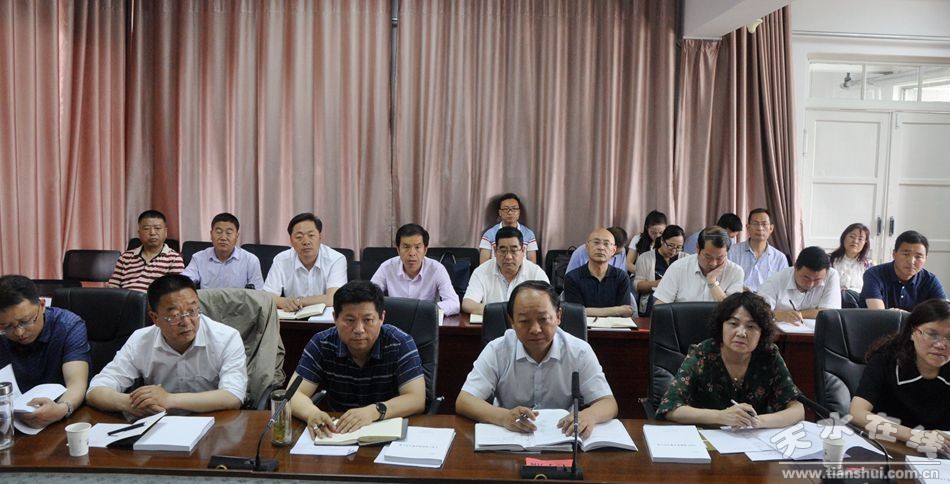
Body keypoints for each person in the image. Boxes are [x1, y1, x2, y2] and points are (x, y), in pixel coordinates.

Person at [456, 281, 618, 439]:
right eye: (524, 321)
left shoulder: (579, 351)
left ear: (558, 316)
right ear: (512, 322)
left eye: (543, 319)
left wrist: (589, 415)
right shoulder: (498, 350)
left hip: (561, 437)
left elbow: (608, 403)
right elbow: (464, 401)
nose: (535, 329)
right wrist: (503, 416)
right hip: (510, 438)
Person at [87, 274, 247, 415]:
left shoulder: (226, 338)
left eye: (192, 311)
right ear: (155, 318)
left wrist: (169, 399)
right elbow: (96, 390)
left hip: (213, 421)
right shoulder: (141, 340)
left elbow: (233, 396)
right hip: (159, 423)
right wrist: (131, 403)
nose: (186, 322)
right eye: (175, 315)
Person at [288, 281, 425, 438]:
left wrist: (373, 411)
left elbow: (416, 399)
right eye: (350, 320)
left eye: (368, 320)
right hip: (338, 433)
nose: (359, 329)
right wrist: (312, 413)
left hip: (387, 431)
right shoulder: (321, 343)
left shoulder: (400, 343)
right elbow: (292, 394)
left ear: (382, 318)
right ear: (335, 318)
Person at [657, 292, 804, 428]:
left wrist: (757, 421)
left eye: (751, 326)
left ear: (762, 333)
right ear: (721, 326)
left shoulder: (768, 355)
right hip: (707, 437)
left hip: (752, 439)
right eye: (733, 324)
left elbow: (797, 409)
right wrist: (721, 416)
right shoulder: (702, 354)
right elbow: (669, 408)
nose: (741, 333)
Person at [849, 299, 950, 454]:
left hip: (941, 453)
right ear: (912, 333)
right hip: (889, 449)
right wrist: (915, 436)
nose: (941, 344)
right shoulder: (886, 360)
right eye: (932, 334)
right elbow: (857, 413)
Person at [0, 275, 89, 428]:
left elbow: (76, 384)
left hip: (61, 420)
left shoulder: (69, 326)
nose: (19, 332)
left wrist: (62, 408)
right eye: (7, 326)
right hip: (10, 422)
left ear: (42, 305)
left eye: (25, 321)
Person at [263, 212, 347, 312]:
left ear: (320, 237)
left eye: (311, 235)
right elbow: (267, 297)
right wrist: (285, 302)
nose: (306, 242)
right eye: (299, 237)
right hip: (292, 316)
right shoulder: (281, 260)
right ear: (291, 240)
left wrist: (298, 301)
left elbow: (333, 298)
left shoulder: (336, 259)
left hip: (324, 318)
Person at [371, 223, 460, 316]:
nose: (412, 253)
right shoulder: (387, 267)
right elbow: (369, 298)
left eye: (417, 247)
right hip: (396, 320)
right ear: (398, 250)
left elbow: (454, 303)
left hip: (425, 320)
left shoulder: (437, 269)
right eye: (406, 247)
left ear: (425, 250)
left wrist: (425, 310)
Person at [463, 227, 549, 315]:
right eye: (503, 251)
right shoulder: (481, 271)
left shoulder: (536, 273)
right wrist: (502, 312)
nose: (508, 257)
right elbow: (467, 304)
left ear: (523, 251)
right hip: (494, 322)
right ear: (495, 251)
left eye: (513, 250)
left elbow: (548, 304)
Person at [654, 226, 744, 304]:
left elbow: (732, 311)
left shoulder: (735, 272)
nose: (713, 263)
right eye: (708, 257)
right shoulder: (678, 268)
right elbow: (660, 305)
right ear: (697, 248)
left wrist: (712, 282)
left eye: (720, 258)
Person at [861, 230, 946, 311]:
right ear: (894, 254)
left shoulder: (930, 280)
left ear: (925, 259)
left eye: (918, 256)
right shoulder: (874, 274)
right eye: (906, 254)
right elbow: (878, 314)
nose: (911, 261)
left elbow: (944, 312)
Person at [757, 246, 841, 324]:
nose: (810, 284)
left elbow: (830, 313)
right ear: (795, 267)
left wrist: (799, 314)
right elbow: (759, 312)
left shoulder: (831, 275)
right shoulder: (775, 281)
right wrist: (779, 315)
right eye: (806, 278)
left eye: (817, 280)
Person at [181, 212, 264, 289]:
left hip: (238, 301)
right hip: (207, 300)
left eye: (229, 233)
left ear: (237, 236)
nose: (223, 238)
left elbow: (258, 292)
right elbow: (184, 282)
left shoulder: (250, 260)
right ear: (211, 234)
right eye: (218, 232)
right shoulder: (199, 258)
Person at [108, 210, 185, 292]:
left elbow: (176, 291)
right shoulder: (125, 257)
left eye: (157, 228)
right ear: (139, 233)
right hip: (125, 298)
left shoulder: (174, 259)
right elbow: (113, 286)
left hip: (154, 299)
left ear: (165, 232)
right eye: (146, 229)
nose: (152, 233)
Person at [563, 228, 634, 317]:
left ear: (613, 250)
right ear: (587, 247)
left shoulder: (621, 277)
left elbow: (625, 312)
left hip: (615, 325)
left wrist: (587, 311)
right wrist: (616, 310)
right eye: (596, 242)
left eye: (606, 244)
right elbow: (575, 313)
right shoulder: (572, 277)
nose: (601, 247)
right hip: (583, 326)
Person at [727, 208, 789, 292]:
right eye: (755, 224)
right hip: (739, 298)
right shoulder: (732, 252)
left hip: (768, 299)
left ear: (771, 228)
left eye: (764, 224)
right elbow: (725, 282)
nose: (760, 228)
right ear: (748, 227)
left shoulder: (780, 258)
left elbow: (783, 288)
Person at [633, 225, 685, 315]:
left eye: (679, 247)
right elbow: (638, 286)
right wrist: (660, 283)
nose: (674, 250)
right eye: (671, 246)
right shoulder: (645, 258)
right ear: (662, 240)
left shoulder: (686, 259)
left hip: (679, 303)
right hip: (652, 301)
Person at [478, 193, 539, 264]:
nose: (510, 212)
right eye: (506, 209)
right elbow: (483, 264)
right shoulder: (489, 234)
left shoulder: (528, 234)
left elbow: (532, 263)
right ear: (500, 212)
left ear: (519, 212)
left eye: (514, 209)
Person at [829, 223, 873, 293]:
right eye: (852, 236)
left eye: (860, 239)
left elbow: (871, 290)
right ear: (844, 237)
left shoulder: (868, 265)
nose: (855, 241)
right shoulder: (829, 260)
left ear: (865, 242)